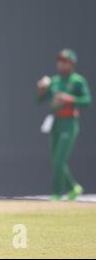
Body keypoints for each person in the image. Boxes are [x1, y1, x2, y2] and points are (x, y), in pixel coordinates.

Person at [37, 48, 92, 201]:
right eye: (59, 61)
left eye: (65, 62)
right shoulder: (54, 81)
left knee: (59, 160)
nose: (61, 64)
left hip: (69, 123)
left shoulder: (77, 81)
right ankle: (74, 187)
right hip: (56, 122)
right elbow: (39, 100)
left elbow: (87, 101)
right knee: (55, 159)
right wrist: (41, 90)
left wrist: (69, 99)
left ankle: (57, 193)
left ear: (72, 64)